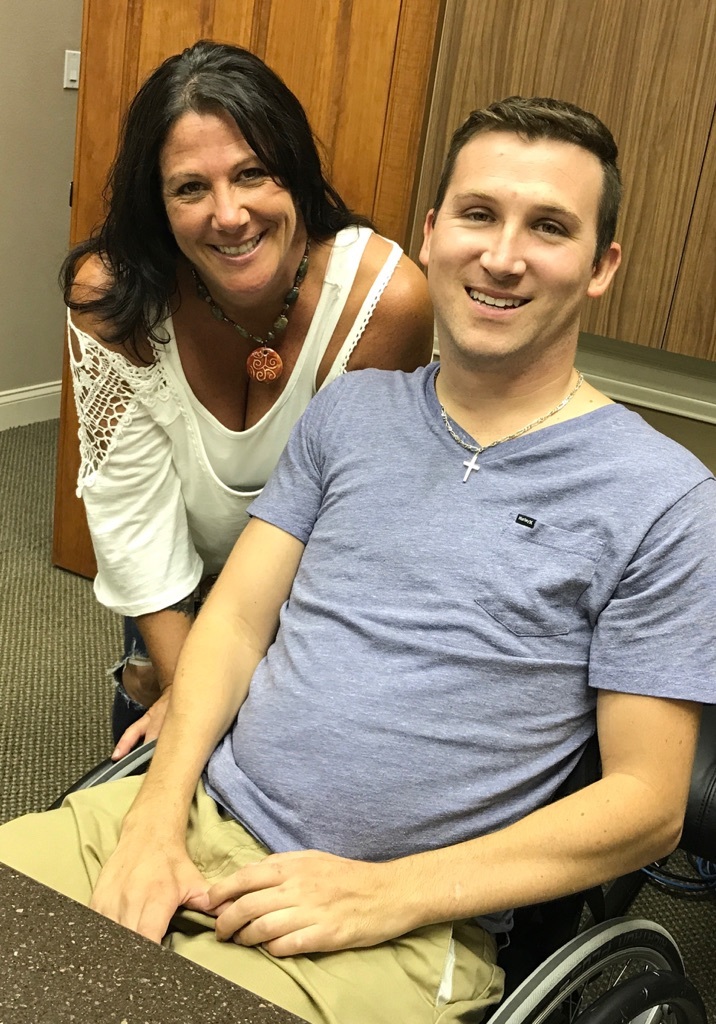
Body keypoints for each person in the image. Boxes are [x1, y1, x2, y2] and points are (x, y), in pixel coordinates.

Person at [3, 97, 715, 1024]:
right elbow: (237, 620)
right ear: (433, 232)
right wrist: (153, 813)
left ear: (601, 265)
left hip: (394, 923)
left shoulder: (664, 499)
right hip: (183, 818)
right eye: (478, 214)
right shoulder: (352, 415)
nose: (502, 256)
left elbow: (649, 804)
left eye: (548, 227)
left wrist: (390, 896)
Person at [62, 39, 434, 758]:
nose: (228, 216)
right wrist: (190, 694)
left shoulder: (386, 301)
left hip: (308, 587)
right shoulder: (113, 296)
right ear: (157, 204)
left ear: (294, 174)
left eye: (252, 173)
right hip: (175, 572)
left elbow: (352, 531)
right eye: (189, 188)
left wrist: (250, 717)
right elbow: (131, 517)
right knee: (151, 724)